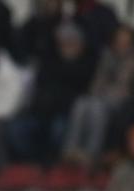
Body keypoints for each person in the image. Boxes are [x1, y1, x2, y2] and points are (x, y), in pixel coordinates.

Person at [7, 21, 96, 163]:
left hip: (66, 112)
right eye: (63, 42)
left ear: (80, 43)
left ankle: (53, 164)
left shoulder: (87, 63)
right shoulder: (49, 61)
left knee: (58, 130)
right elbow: (38, 89)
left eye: (70, 41)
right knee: (16, 129)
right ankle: (28, 162)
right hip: (40, 111)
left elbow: (80, 94)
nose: (66, 45)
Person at [64, 24, 134, 167]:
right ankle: (71, 150)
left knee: (97, 108)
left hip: (123, 100)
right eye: (119, 39)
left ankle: (90, 153)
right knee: (81, 103)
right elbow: (98, 80)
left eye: (125, 40)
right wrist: (96, 94)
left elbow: (124, 84)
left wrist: (102, 95)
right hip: (101, 96)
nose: (121, 43)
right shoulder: (107, 55)